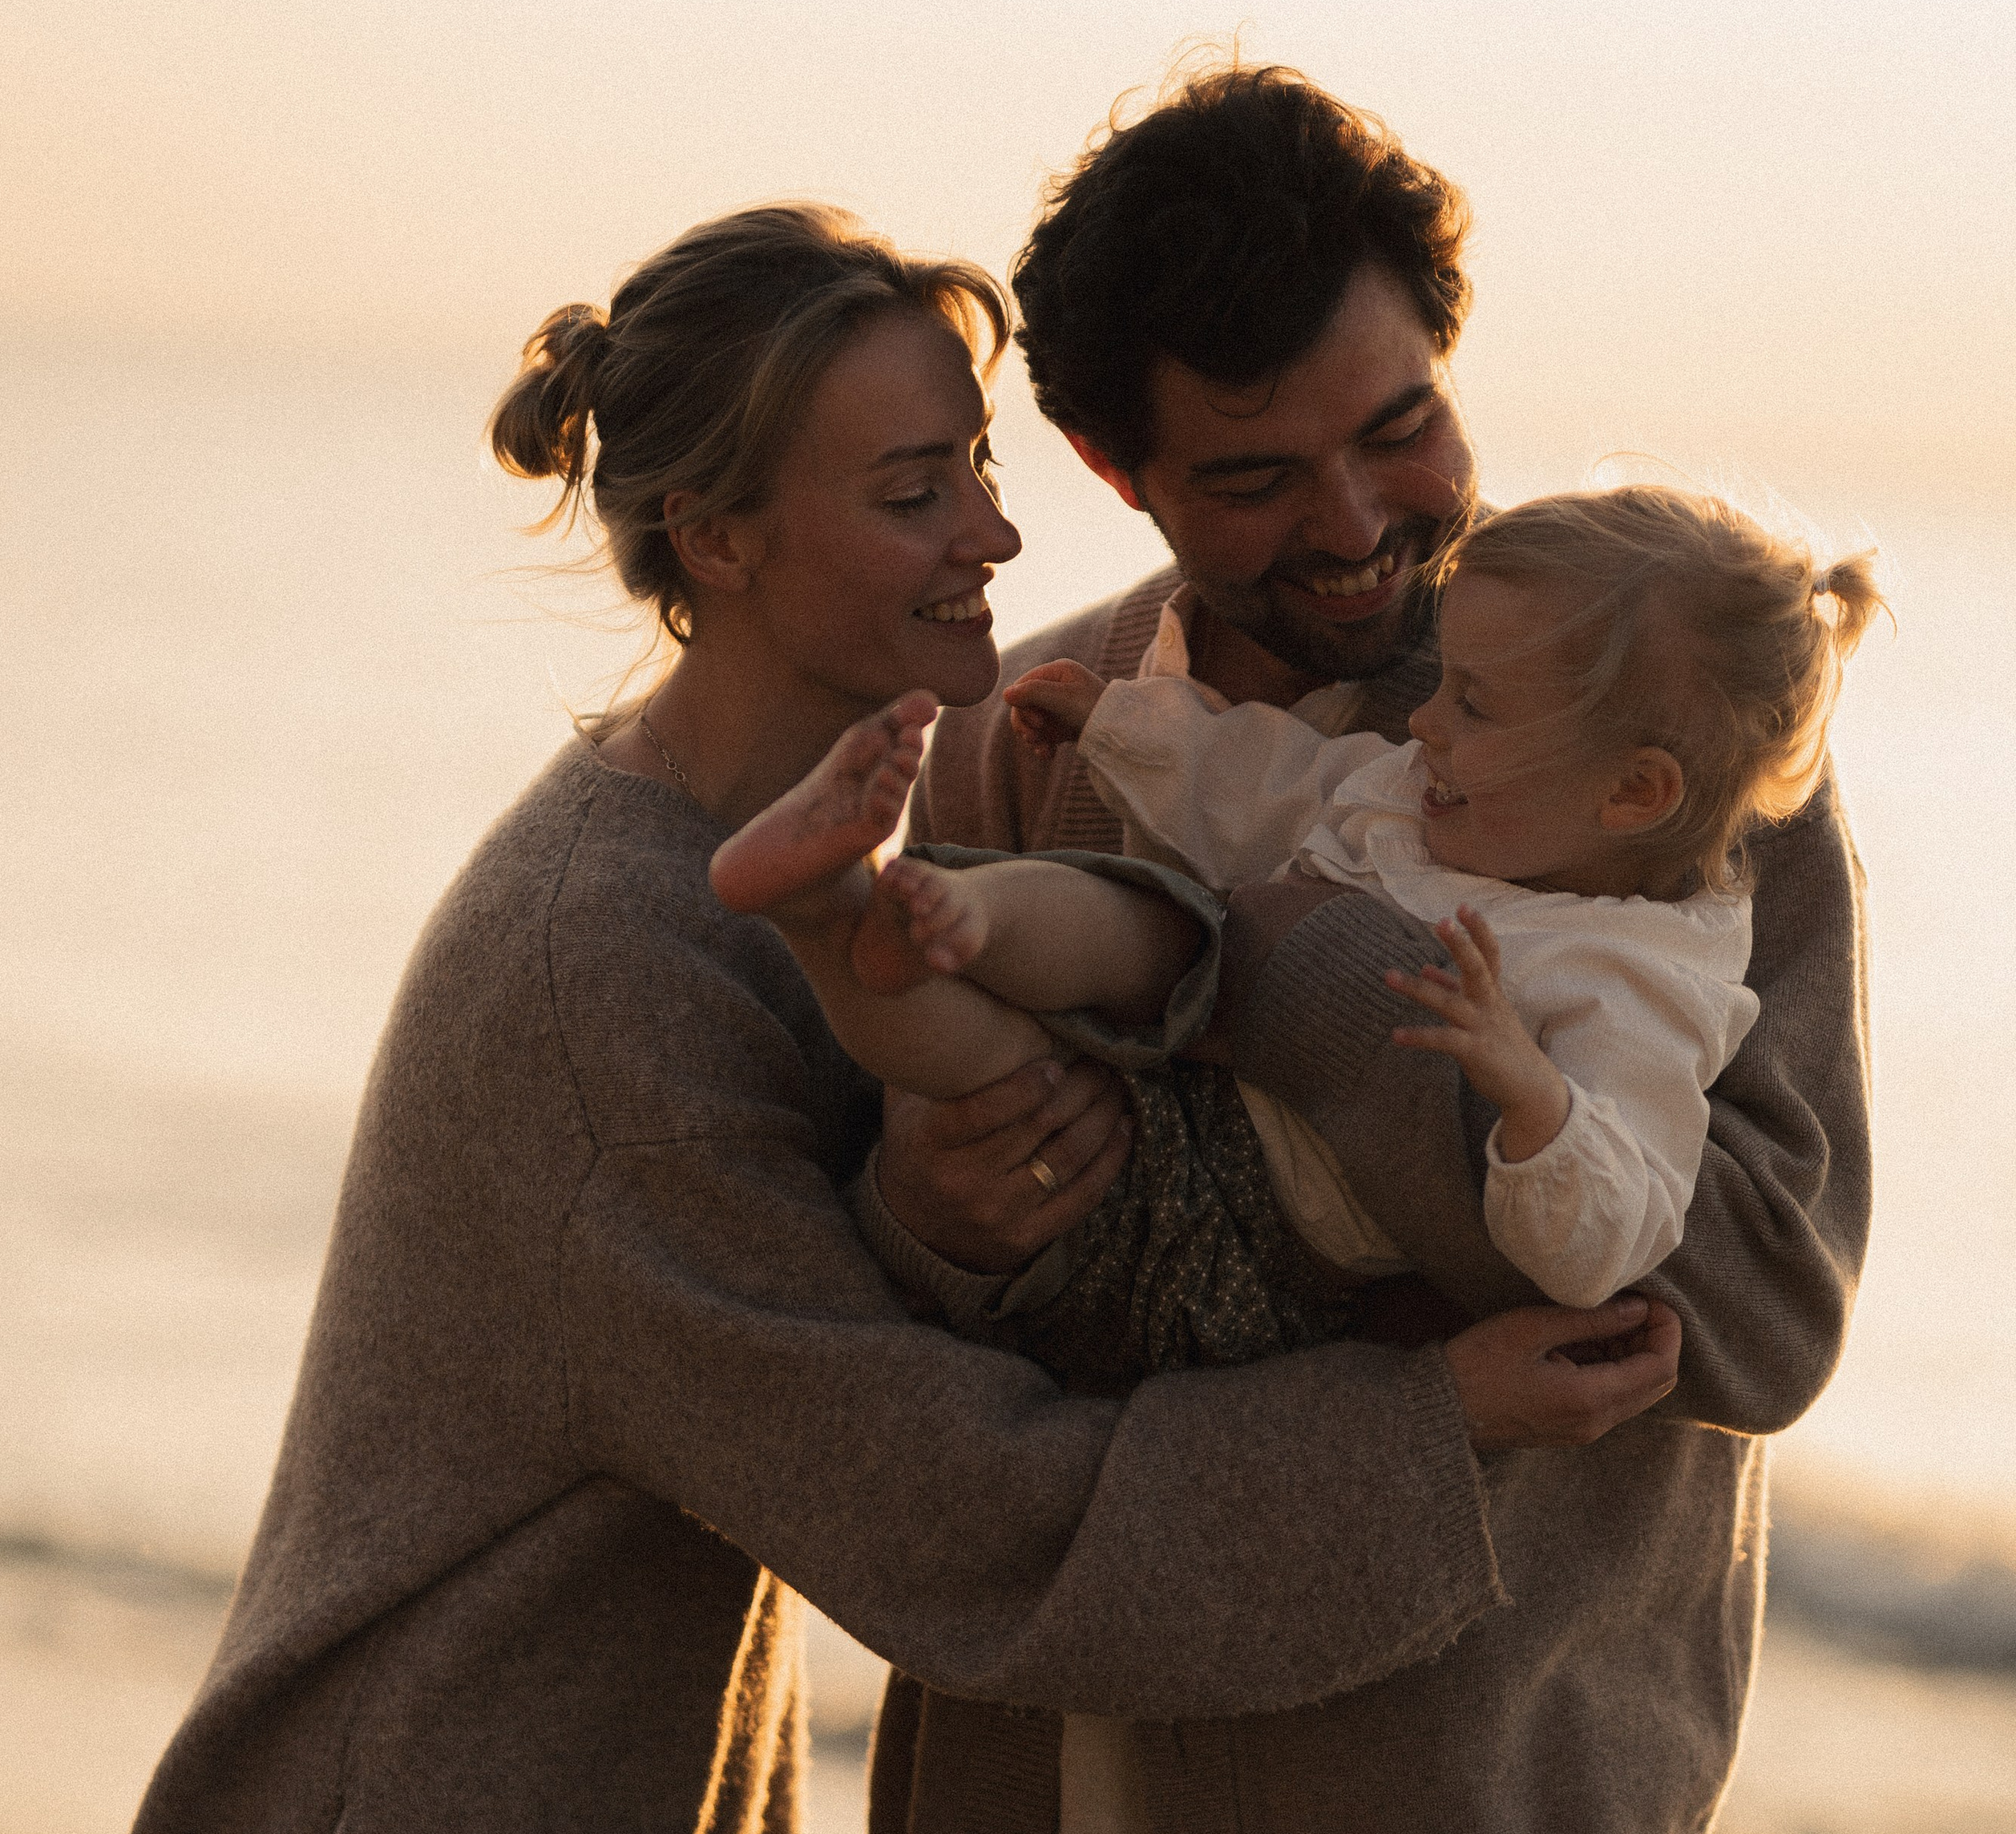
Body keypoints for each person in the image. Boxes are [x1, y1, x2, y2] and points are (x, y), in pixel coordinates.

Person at [71, 200, 1673, 1834]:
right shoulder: (611, 967)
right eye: (919, 488)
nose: (1004, 530)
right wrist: (1432, 1428)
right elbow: (954, 1503)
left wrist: (960, 1164)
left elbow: (999, 1185)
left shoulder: (838, 838)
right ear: (723, 539)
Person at [859, 68, 1873, 1834]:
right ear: (1106, 468)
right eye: (1253, 476)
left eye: (1398, 419)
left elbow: (1745, 1310)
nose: (1359, 521)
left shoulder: (1675, 753)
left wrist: (1290, 969)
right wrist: (930, 1214)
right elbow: (946, 1280)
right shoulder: (1047, 733)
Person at [713, 483, 1879, 1315]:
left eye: (1473, 706)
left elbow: (1612, 1238)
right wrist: (1116, 725)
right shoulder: (1427, 801)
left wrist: (1526, 1090)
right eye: (1259, 468)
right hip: (1186, 1042)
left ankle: (825, 917)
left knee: (989, 1063)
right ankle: (912, 908)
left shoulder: (1640, 983)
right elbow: (1269, 785)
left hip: (1254, 1226)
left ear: (1633, 791)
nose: (1424, 719)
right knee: (1117, 921)